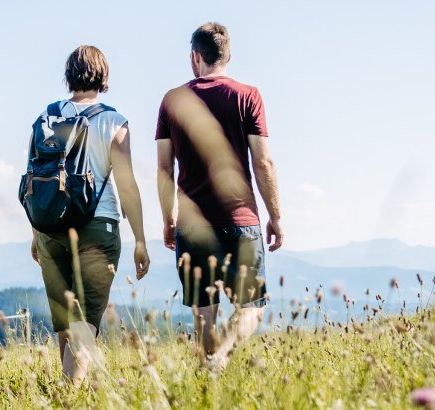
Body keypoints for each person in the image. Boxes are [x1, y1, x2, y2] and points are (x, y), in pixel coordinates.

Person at [155, 22, 284, 371]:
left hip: (193, 226)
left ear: (195, 57)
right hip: (240, 221)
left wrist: (169, 221)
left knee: (204, 312)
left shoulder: (173, 101)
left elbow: (164, 170)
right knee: (251, 306)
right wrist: (276, 215)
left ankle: (211, 370)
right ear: (229, 56)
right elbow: (263, 161)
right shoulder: (248, 96)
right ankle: (221, 359)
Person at [30, 45, 150, 385]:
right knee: (85, 321)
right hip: (97, 226)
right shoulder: (113, 121)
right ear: (104, 77)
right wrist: (140, 239)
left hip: (50, 228)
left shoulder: (45, 118)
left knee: (67, 320)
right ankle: (68, 397)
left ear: (68, 76)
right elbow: (126, 187)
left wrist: (36, 233)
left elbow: (37, 179)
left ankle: (68, 389)